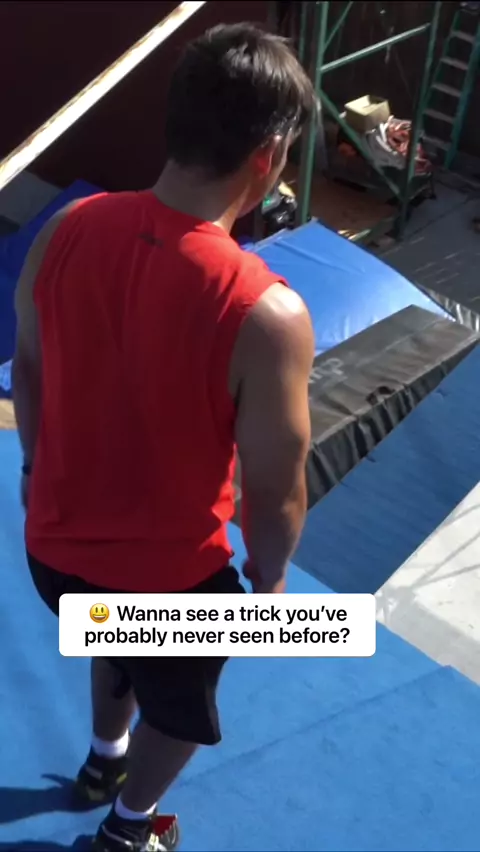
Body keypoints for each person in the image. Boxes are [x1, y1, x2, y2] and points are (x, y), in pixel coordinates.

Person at [12, 22, 316, 852]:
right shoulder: (267, 313)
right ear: (269, 157)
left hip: (54, 553)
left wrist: (35, 467)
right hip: (168, 581)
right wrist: (270, 576)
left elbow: (27, 369)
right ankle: (128, 828)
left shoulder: (67, 226)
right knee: (180, 711)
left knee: (114, 633)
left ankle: (104, 760)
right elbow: (275, 488)